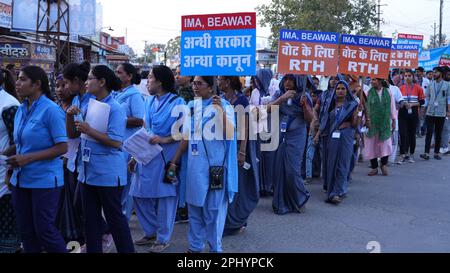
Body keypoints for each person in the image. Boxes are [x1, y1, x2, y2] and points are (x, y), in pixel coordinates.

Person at [66, 65, 135, 253]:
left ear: (102, 82)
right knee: (90, 220)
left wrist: (89, 130)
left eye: (90, 78)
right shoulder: (88, 104)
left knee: (115, 220)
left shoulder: (115, 108)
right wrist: (70, 115)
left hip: (108, 173)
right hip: (87, 171)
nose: (86, 82)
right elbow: (73, 133)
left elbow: (115, 142)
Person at [168, 76, 238, 253]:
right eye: (194, 83)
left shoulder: (225, 106)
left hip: (216, 168)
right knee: (195, 209)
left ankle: (215, 249)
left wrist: (220, 111)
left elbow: (230, 133)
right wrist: (174, 161)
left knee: (213, 212)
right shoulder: (191, 106)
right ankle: (195, 248)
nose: (195, 87)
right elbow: (186, 137)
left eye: (199, 84)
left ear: (211, 87)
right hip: (194, 167)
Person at [5, 66, 68, 253]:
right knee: (26, 232)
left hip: (45, 181)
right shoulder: (21, 109)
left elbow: (62, 147)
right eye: (17, 78)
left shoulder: (51, 110)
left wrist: (28, 158)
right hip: (20, 180)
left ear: (37, 84)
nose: (17, 83)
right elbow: (21, 143)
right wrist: (6, 161)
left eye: (23, 79)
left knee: (44, 231)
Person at [128, 65, 185, 252]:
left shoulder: (178, 103)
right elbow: (145, 129)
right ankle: (151, 231)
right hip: (145, 156)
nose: (147, 81)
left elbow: (186, 134)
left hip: (167, 157)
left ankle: (163, 238)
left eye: (151, 77)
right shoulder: (149, 101)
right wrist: (135, 156)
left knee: (166, 198)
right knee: (137, 194)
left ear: (160, 81)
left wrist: (165, 139)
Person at [218, 76, 259, 236]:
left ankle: (239, 220)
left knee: (239, 183)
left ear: (228, 82)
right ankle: (226, 220)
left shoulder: (241, 100)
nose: (218, 82)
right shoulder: (220, 99)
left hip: (238, 146)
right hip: (224, 147)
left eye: (220, 79)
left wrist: (242, 151)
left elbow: (245, 126)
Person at [271, 74, 314, 215]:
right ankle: (280, 201)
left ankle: (300, 198)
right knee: (279, 167)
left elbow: (309, 119)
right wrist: (282, 98)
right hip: (281, 133)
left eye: (291, 80)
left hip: (297, 135)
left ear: (297, 82)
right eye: (285, 79)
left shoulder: (304, 96)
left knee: (292, 169)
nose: (287, 83)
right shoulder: (279, 94)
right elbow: (267, 109)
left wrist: (305, 106)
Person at [54, 74, 84, 244]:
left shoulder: (77, 106)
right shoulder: (54, 107)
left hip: (73, 159)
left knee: (74, 201)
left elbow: (75, 134)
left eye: (63, 85)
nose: (59, 90)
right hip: (58, 159)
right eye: (57, 86)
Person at [113, 63, 145, 221]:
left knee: (126, 183)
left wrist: (117, 120)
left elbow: (140, 120)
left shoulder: (134, 95)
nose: (116, 74)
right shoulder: (116, 93)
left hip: (129, 144)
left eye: (119, 72)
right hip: (117, 142)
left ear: (129, 76)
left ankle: (124, 217)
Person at [323, 81, 358, 204]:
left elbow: (355, 124)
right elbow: (325, 121)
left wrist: (357, 114)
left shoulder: (352, 105)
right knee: (331, 163)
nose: (340, 90)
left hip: (346, 136)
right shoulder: (330, 104)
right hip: (332, 136)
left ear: (347, 90)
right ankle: (330, 188)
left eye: (343, 88)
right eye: (338, 88)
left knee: (343, 163)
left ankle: (338, 191)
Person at [0, 69, 21, 253]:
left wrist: (2, 159)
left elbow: (19, 142)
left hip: (2, 175)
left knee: (5, 225)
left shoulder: (8, 105)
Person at [364, 78, 397, 176]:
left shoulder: (388, 92)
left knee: (385, 144)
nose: (372, 81)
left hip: (385, 123)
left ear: (379, 81)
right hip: (371, 123)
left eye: (374, 80)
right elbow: (364, 106)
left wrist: (394, 120)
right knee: (371, 145)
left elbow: (392, 107)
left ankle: (383, 164)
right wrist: (365, 120)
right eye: (372, 80)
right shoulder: (368, 93)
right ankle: (374, 167)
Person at [249, 69, 274, 197]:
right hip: (257, 128)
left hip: (271, 128)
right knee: (258, 156)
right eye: (256, 79)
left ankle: (269, 186)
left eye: (259, 79)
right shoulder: (254, 92)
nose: (257, 82)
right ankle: (259, 186)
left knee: (269, 158)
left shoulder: (275, 91)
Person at [314, 75, 339, 191]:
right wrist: (316, 119)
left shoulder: (342, 95)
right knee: (325, 157)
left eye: (336, 79)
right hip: (324, 129)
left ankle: (334, 183)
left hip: (337, 130)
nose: (334, 81)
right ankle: (326, 183)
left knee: (334, 158)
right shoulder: (323, 94)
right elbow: (316, 109)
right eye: (332, 79)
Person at [420, 67, 450, 160]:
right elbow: (427, 98)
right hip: (430, 112)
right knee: (429, 133)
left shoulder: (447, 85)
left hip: (441, 112)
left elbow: (449, 99)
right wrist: (423, 110)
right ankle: (426, 153)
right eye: (433, 72)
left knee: (438, 133)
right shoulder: (430, 84)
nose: (433, 74)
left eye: (435, 72)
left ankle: (436, 153)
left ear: (440, 73)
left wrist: (448, 111)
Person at [397, 70, 425, 164]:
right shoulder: (400, 88)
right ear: (403, 77)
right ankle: (402, 154)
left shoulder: (418, 88)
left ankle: (411, 154)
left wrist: (412, 104)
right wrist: (403, 103)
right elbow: (398, 101)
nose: (407, 77)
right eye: (405, 76)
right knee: (403, 134)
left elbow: (422, 102)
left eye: (409, 75)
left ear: (413, 77)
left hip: (413, 113)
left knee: (411, 135)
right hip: (402, 112)